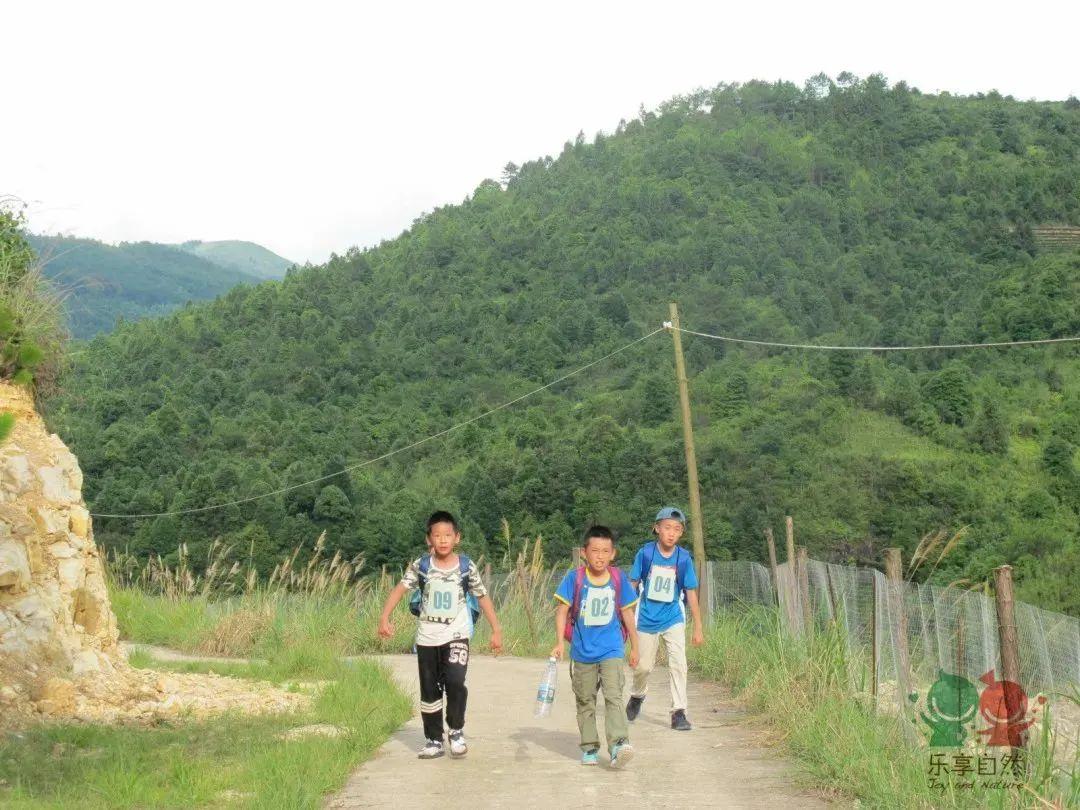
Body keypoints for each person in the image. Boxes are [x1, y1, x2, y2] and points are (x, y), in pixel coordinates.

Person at [378, 510, 503, 759]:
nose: (443, 540)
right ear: (429, 539)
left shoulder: (467, 567)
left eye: (448, 535)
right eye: (437, 535)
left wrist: (496, 629)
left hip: (457, 634)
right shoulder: (421, 566)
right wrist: (384, 618)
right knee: (429, 690)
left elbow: (482, 596)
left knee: (455, 681)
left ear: (457, 537)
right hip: (427, 637)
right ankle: (434, 739)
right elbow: (400, 589)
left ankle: (456, 731)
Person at [551, 525, 639, 768]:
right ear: (584, 553)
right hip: (582, 651)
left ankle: (618, 745)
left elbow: (627, 613)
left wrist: (635, 646)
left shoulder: (618, 579)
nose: (600, 556)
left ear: (613, 554)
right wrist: (559, 643)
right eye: (595, 551)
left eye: (605, 551)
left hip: (612, 649)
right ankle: (589, 747)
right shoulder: (575, 578)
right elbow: (562, 611)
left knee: (613, 696)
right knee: (585, 700)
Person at [625, 506, 705, 731]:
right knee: (643, 667)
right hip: (646, 618)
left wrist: (698, 627)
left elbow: (690, 592)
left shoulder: (683, 558)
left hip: (673, 618)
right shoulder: (645, 554)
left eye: (677, 529)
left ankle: (679, 712)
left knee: (679, 663)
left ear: (681, 533)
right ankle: (637, 695)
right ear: (657, 528)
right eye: (667, 527)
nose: (671, 533)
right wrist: (623, 616)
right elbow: (632, 586)